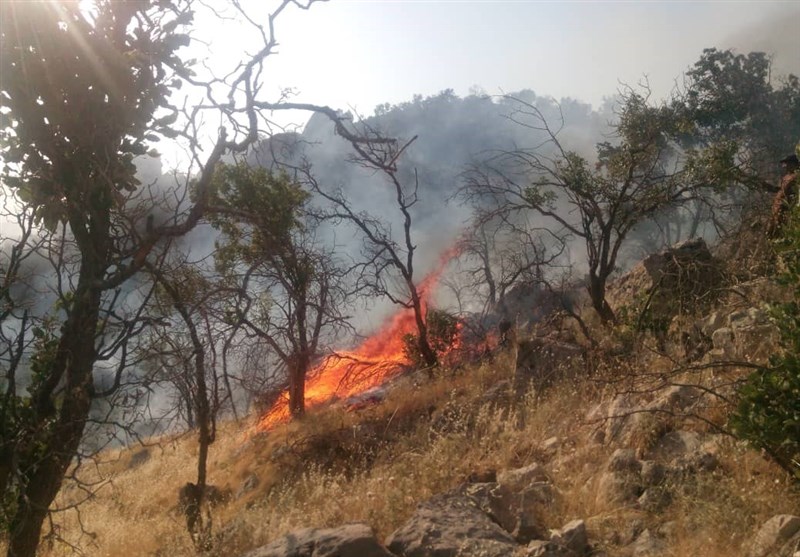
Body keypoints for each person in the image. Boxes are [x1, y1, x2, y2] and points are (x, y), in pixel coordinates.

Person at [767, 153, 800, 238]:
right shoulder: (786, 177)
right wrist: (767, 187)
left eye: (787, 163)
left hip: (786, 210)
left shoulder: (797, 177)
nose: (784, 166)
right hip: (777, 209)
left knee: (782, 233)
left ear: (794, 164)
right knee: (772, 232)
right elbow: (780, 190)